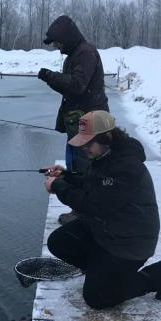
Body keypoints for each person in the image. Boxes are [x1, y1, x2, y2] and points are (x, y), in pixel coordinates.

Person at [42, 110, 161, 309]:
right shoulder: (106, 155)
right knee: (58, 242)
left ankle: (158, 275)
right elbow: (93, 185)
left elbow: (95, 205)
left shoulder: (126, 166)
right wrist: (66, 177)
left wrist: (59, 187)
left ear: (107, 137)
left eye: (88, 143)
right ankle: (103, 274)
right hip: (107, 230)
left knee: (96, 298)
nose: (84, 148)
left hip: (130, 242)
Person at [37, 15, 109, 226]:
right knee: (76, 165)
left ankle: (82, 213)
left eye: (58, 42)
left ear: (67, 38)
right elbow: (70, 87)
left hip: (89, 121)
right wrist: (52, 78)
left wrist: (49, 75)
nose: (57, 47)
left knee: (83, 166)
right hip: (81, 121)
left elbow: (77, 85)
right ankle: (81, 208)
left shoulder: (85, 53)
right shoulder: (75, 54)